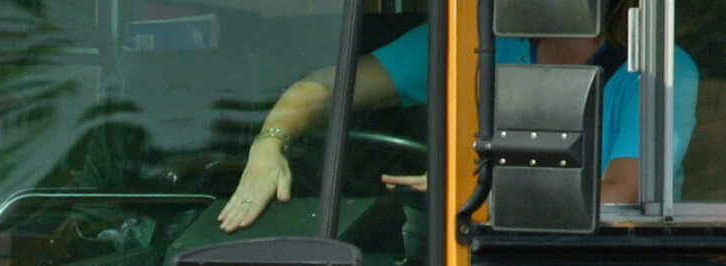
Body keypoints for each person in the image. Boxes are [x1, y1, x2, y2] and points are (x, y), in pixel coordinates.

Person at [219, 4, 697, 232]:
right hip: (462, 247)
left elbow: (621, 193)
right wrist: (269, 142)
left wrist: (472, 189)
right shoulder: (471, 39)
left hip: (592, 264)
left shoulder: (655, 67)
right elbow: (323, 89)